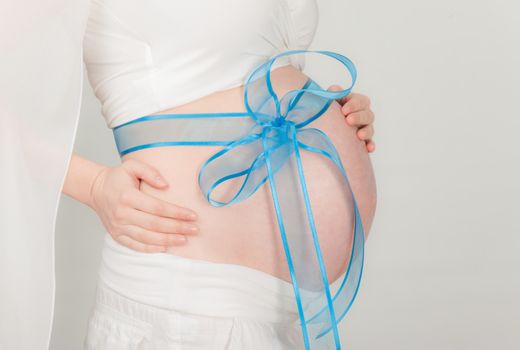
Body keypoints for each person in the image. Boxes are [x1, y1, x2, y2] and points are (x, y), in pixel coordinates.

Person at [1, 1, 376, 349]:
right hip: (185, 306)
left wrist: (327, 112)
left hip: (283, 314)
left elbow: (246, 72)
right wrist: (94, 185)